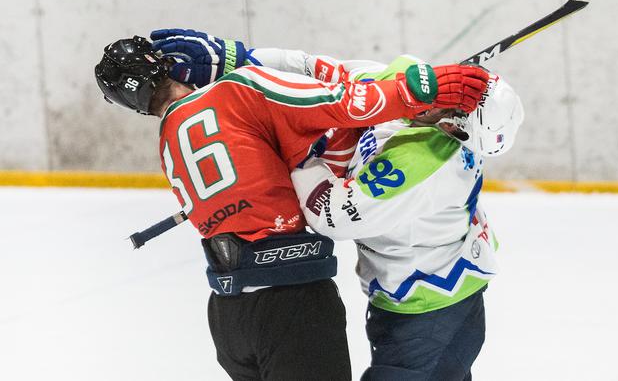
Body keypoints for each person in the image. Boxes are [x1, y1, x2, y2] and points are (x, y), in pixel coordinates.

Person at [94, 29, 491, 380]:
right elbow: (346, 101)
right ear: (162, 62)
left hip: (229, 317)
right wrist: (420, 90)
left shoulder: (169, 140)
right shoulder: (237, 91)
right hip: (290, 304)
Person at [289, 61, 524, 380]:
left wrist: (302, 158)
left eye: (456, 128)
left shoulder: (421, 163)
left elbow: (333, 216)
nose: (448, 125)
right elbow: (340, 74)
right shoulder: (413, 79)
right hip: (459, 290)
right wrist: (237, 57)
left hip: (423, 312)